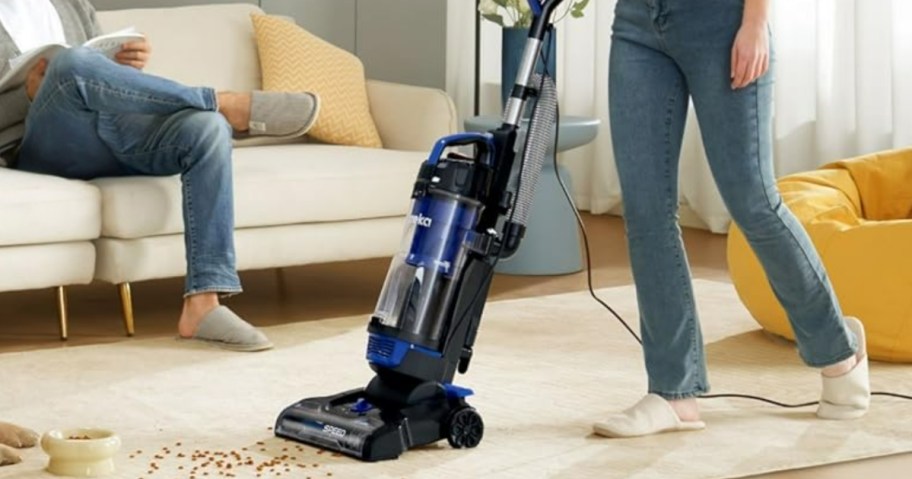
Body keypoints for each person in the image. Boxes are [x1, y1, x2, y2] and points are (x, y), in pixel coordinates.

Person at [593, 0, 871, 437]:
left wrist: (756, 22)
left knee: (753, 200)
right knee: (646, 212)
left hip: (722, 21)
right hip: (636, 22)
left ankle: (839, 350)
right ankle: (673, 393)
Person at [0, 0, 318, 352]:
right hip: (40, 146)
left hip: (108, 128)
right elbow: (73, 72)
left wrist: (123, 64)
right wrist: (30, 94)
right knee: (70, 64)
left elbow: (95, 76)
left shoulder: (73, 5)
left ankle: (203, 305)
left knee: (207, 128)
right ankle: (220, 100)